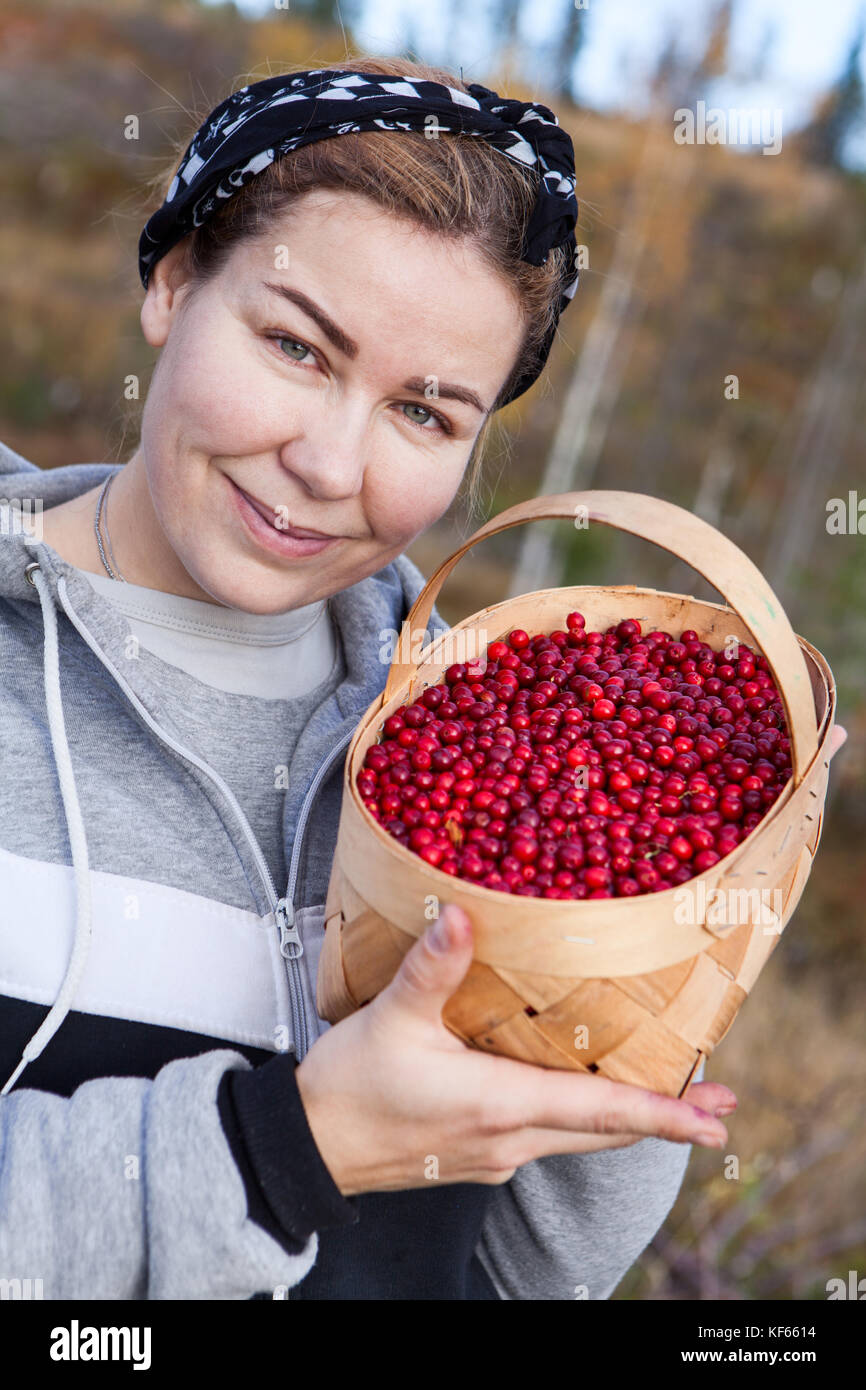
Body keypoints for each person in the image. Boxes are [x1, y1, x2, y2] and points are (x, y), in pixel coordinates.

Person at [0, 56, 841, 1302]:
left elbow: (492, 1282)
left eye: (425, 413)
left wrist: (657, 953)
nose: (328, 460)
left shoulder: (463, 752)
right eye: (295, 344)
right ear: (173, 282)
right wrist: (285, 1149)